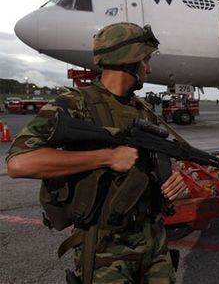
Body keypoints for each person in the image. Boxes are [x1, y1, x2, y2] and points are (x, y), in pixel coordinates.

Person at [6, 22, 187, 283]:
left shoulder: (142, 109)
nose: (148, 67)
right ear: (130, 61)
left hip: (154, 243)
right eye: (145, 60)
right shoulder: (74, 104)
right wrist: (107, 157)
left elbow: (159, 154)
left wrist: (174, 174)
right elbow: (20, 163)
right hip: (106, 250)